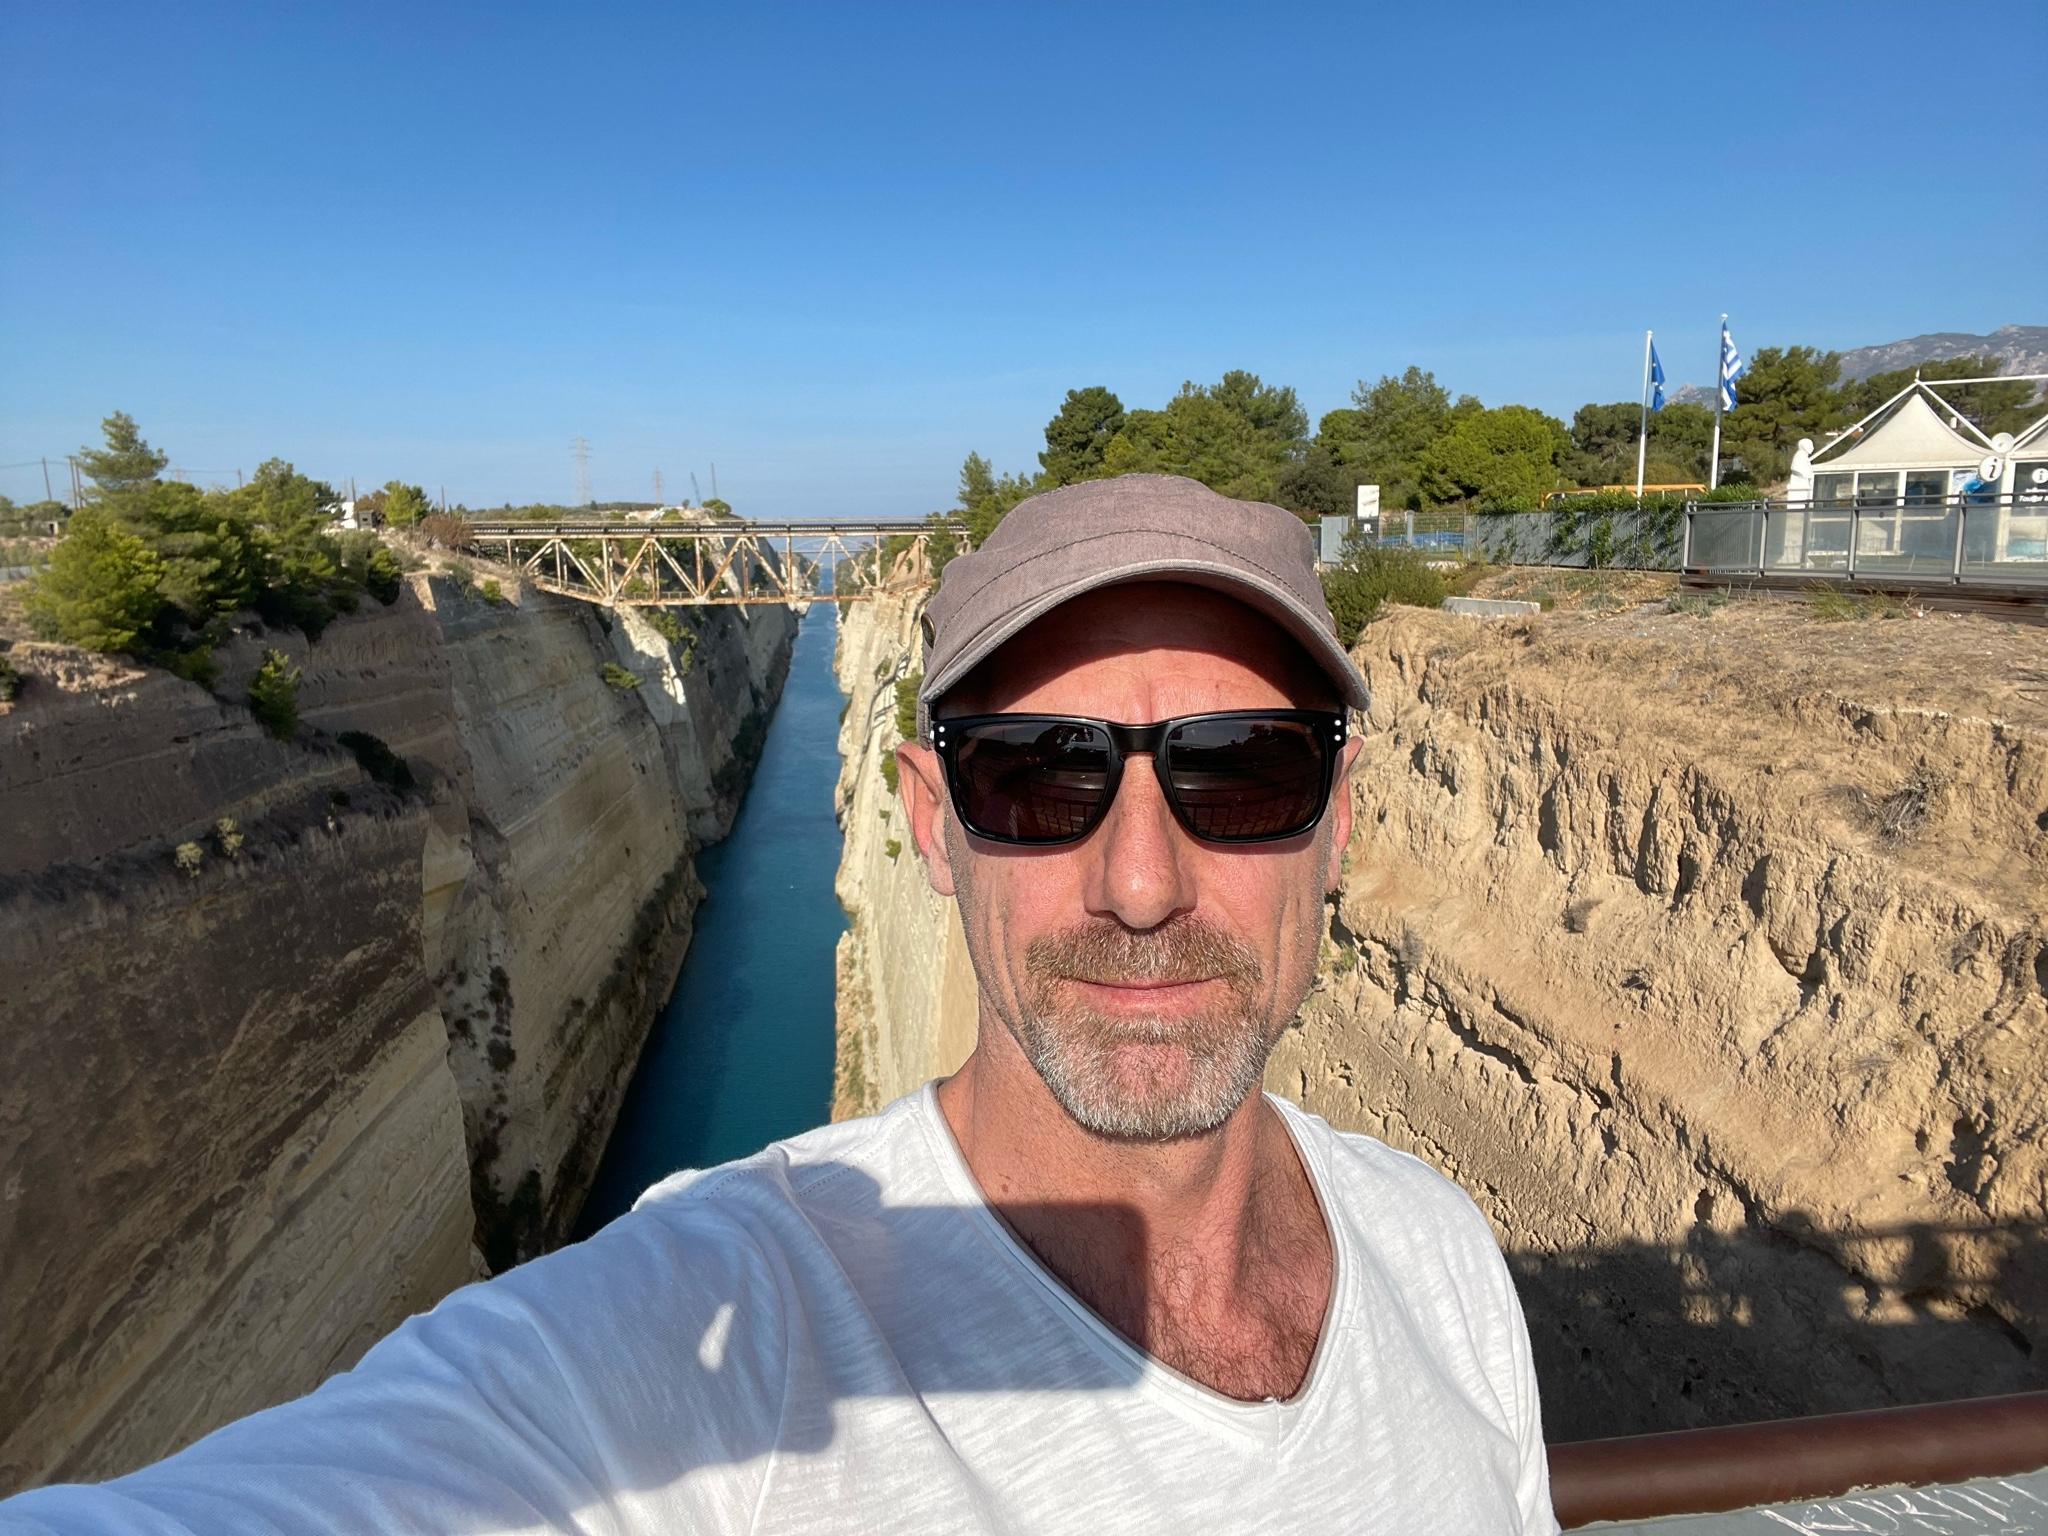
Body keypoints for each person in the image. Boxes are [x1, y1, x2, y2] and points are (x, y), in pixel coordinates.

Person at [2, 474, 1557, 1534]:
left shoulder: (1441, 1257)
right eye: (1035, 777)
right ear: (928, 823)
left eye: (1244, 772)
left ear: (1339, 822)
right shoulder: (726, 1326)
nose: (1140, 885)